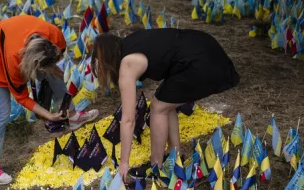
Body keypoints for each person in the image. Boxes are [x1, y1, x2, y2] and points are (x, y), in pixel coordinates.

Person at [91, 28, 239, 180]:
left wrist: (123, 163)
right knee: (165, 102)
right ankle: (176, 155)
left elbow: (128, 120)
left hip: (200, 62)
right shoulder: (130, 43)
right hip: (203, 45)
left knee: (158, 108)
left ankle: (156, 166)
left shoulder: (127, 64)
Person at [0, 15, 99, 184]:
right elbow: (22, 97)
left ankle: (72, 115)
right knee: (1, 111)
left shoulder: (55, 35)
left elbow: (56, 60)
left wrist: (51, 68)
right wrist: (49, 115)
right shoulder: (13, 61)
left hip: (23, 43)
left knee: (54, 74)